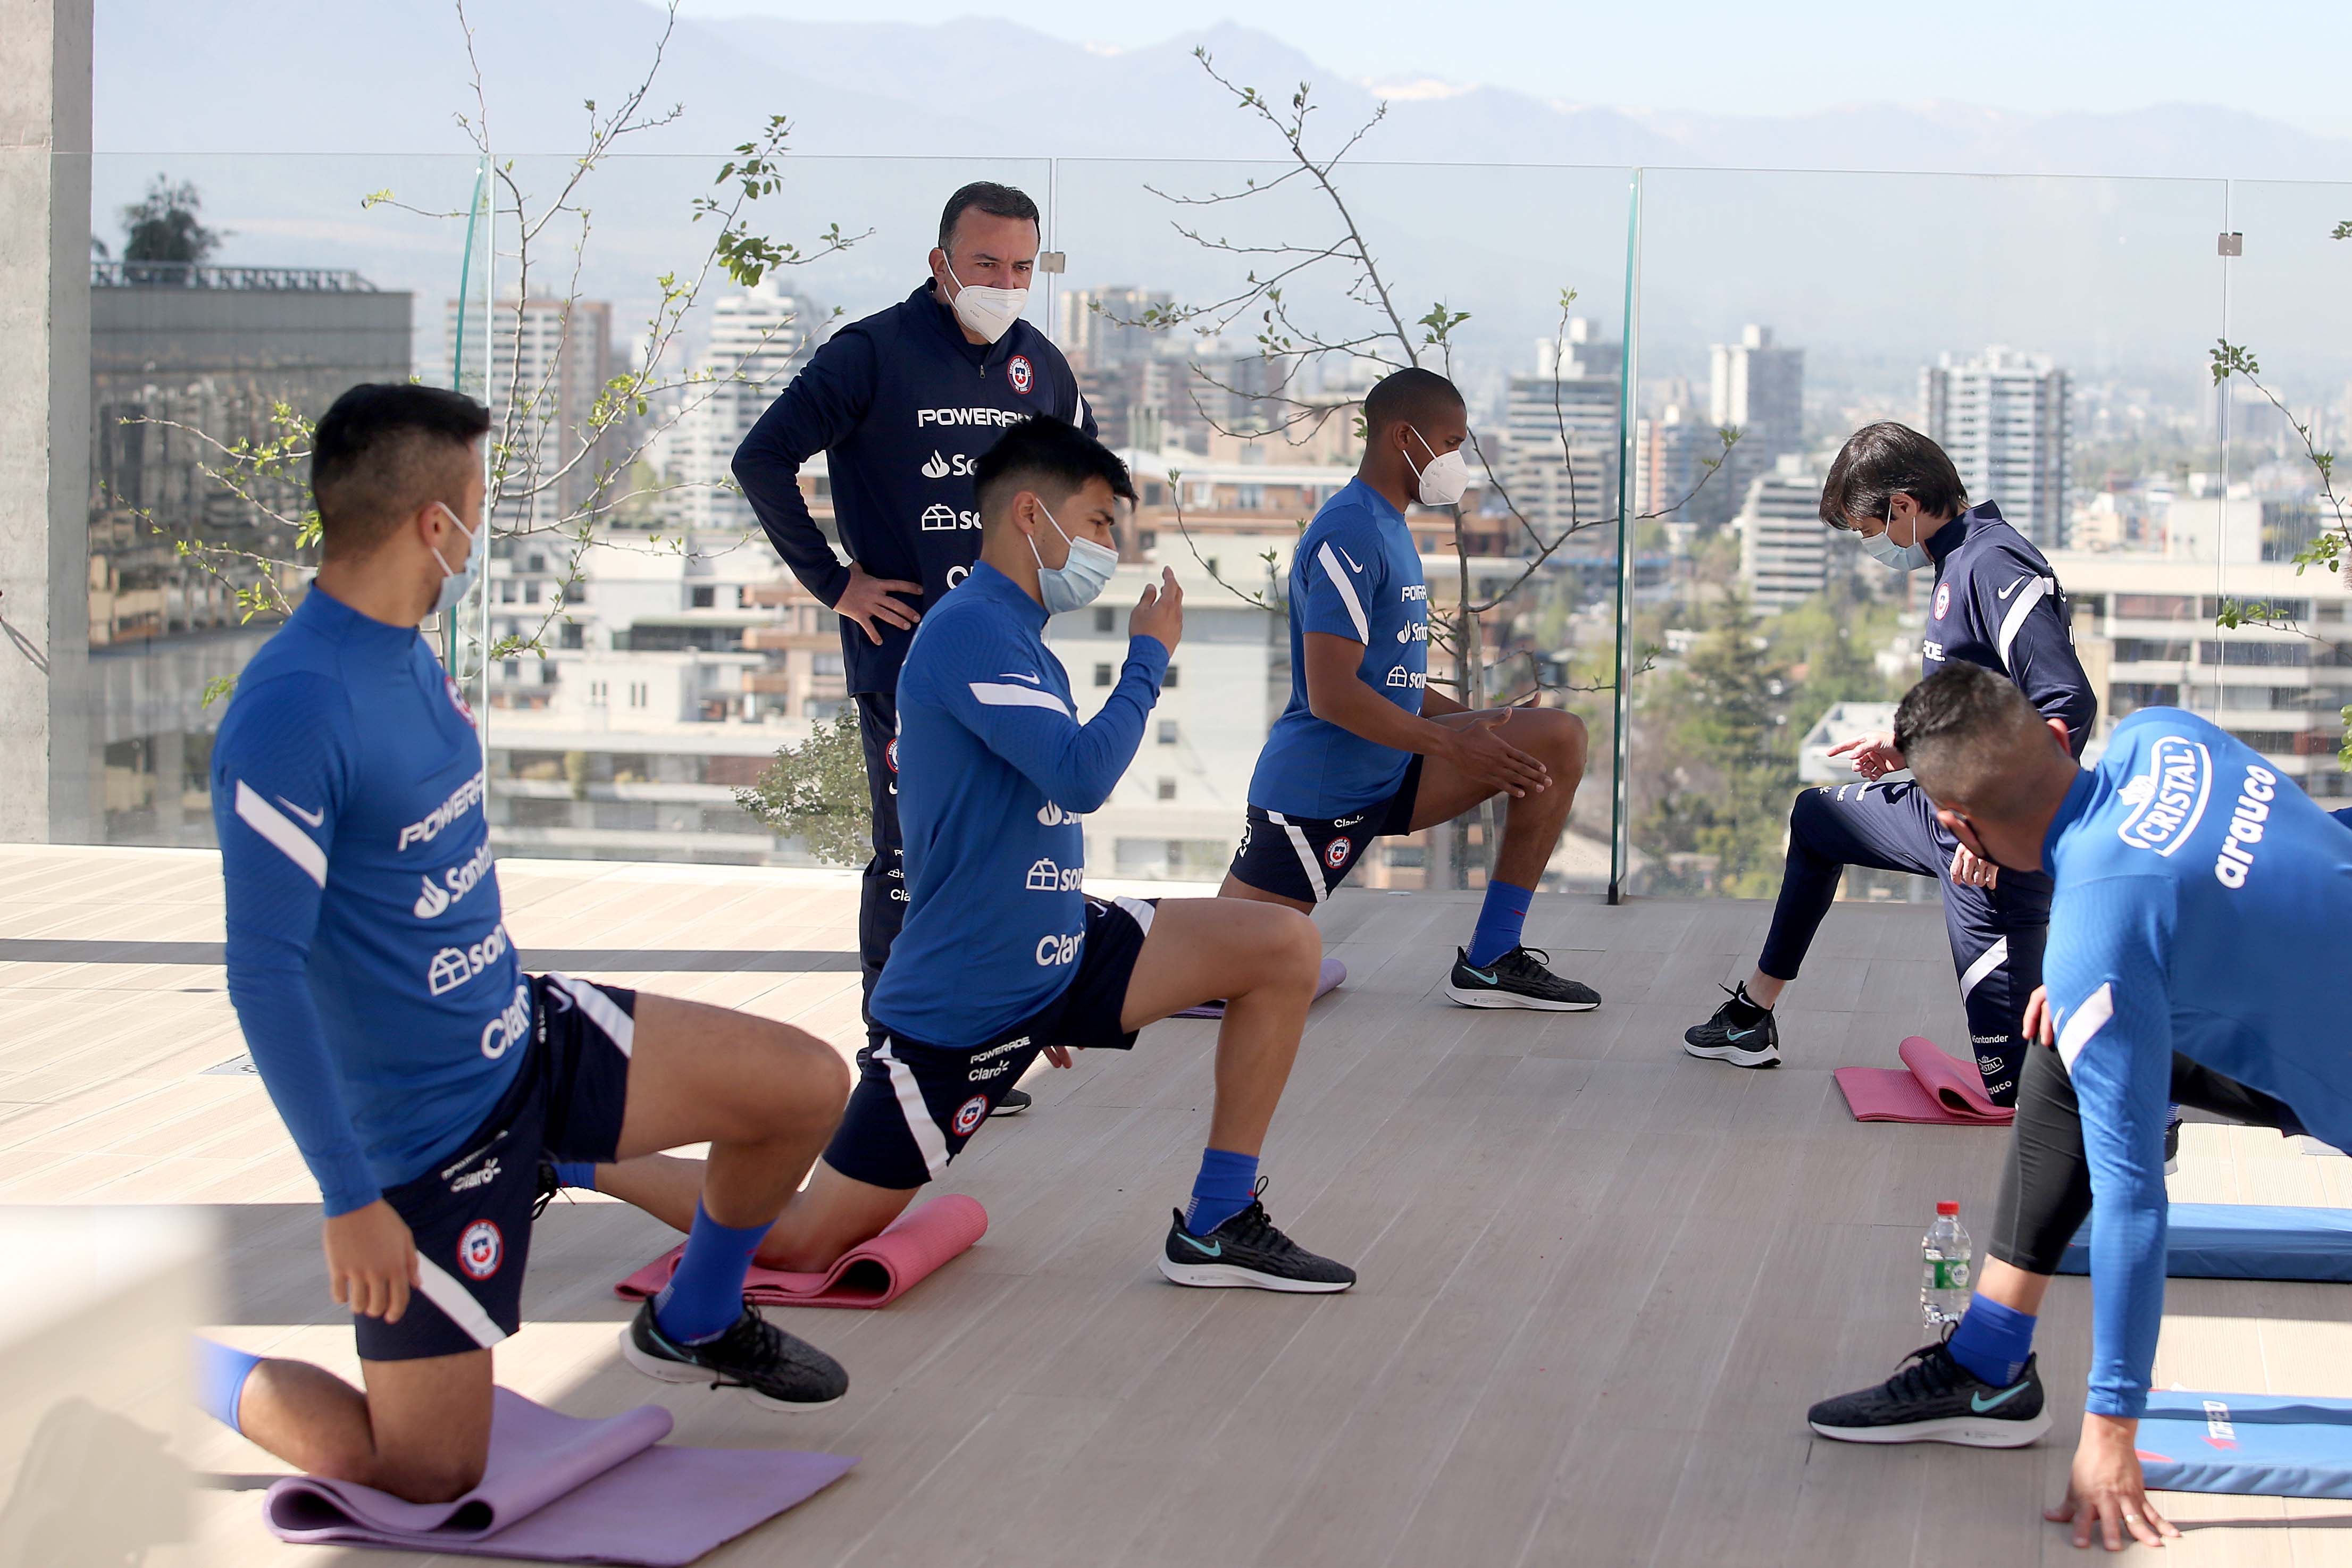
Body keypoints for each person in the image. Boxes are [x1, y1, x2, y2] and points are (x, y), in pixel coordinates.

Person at [191, 384, 855, 1506]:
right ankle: (161, 1354)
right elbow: (262, 973)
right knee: (422, 1471)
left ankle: (690, 1317)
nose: (482, 522)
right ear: (428, 525)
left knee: (800, 1086)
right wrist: (348, 1195)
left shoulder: (409, 647)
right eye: (476, 500)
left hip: (525, 1032)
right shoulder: (293, 709)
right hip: (420, 1137)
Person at [585, 417, 1357, 1291]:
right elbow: (1078, 777)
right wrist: (1148, 656)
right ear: (1031, 514)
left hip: (1055, 947)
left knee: (1280, 946)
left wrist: (1052, 974)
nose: (1113, 546)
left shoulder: (1017, 632)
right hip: (964, 995)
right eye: (1101, 522)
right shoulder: (969, 631)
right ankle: (573, 1157)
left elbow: (1021, 815)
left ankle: (1217, 1220)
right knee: (802, 1236)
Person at [1807, 663, 2352, 1551]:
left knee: (2082, 1037)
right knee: (2068, 1035)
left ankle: (1988, 1370)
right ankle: (1985, 1361)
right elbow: (2272, 846)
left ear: (1956, 825)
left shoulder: (2096, 937)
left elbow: (2135, 1201)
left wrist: (2110, 1433)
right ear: (2058, 738)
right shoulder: (2163, 735)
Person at [733, 181, 1095, 1121]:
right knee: (911, 852)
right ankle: (899, 1050)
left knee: (1004, 843)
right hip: (906, 658)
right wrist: (833, 581)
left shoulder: (1045, 371)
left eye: (1021, 267)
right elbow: (761, 458)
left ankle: (982, 1041)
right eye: (985, 264)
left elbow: (1074, 500)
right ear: (940, 262)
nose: (1003, 283)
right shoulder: (872, 354)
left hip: (1013, 659)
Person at [1681, 422, 2097, 1104]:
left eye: (1866, 528)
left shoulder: (1993, 564)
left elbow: (2062, 699)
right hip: (1940, 816)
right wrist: (1907, 744)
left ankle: (2151, 1097)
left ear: (1904, 505)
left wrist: (1994, 826)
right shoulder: (1956, 556)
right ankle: (1751, 1016)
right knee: (1816, 819)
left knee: (2018, 1092)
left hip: (1987, 848)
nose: (1869, 545)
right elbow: (1986, 693)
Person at [1219, 366, 1599, 1011]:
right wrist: (1455, 748)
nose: (1458, 461)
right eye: (1450, 444)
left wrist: (1481, 722)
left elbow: (1395, 680)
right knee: (1218, 969)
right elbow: (1332, 695)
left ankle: (1491, 960)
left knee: (1556, 740)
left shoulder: (1391, 524)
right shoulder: (1349, 531)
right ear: (1404, 438)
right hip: (1320, 789)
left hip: (1391, 767)